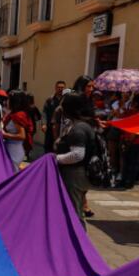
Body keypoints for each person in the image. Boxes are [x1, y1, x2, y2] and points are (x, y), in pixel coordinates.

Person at [53, 92, 96, 223]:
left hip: (75, 175)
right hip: (76, 174)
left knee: (74, 212)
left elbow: (77, 155)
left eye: (62, 105)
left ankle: (79, 241)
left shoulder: (79, 129)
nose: (60, 107)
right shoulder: (78, 125)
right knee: (73, 209)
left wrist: (56, 158)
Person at [1, 92, 34, 168]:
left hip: (14, 150)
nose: (6, 102)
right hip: (11, 148)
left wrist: (4, 134)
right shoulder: (15, 113)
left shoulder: (18, 115)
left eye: (8, 99)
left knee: (11, 172)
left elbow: (22, 136)